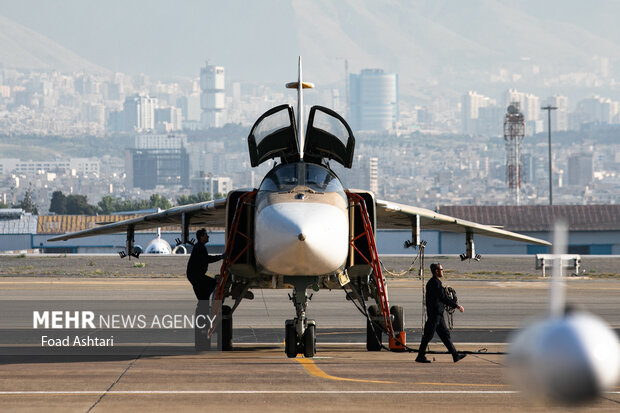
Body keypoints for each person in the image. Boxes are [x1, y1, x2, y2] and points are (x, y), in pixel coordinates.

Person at [415, 262, 466, 363]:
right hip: (434, 315)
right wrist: (456, 306)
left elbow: (442, 297)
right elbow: (443, 298)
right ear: (436, 271)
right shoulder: (434, 283)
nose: (443, 272)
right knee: (428, 335)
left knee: (445, 335)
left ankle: (455, 355)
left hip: (438, 315)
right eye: (441, 270)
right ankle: (420, 356)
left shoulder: (436, 283)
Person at [186, 228, 225, 300]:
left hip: (195, 276)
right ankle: (209, 305)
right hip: (196, 276)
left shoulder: (199, 246)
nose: (208, 236)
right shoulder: (199, 247)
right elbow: (206, 259)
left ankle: (205, 307)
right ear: (201, 237)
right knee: (212, 283)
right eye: (206, 235)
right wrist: (220, 257)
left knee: (203, 296)